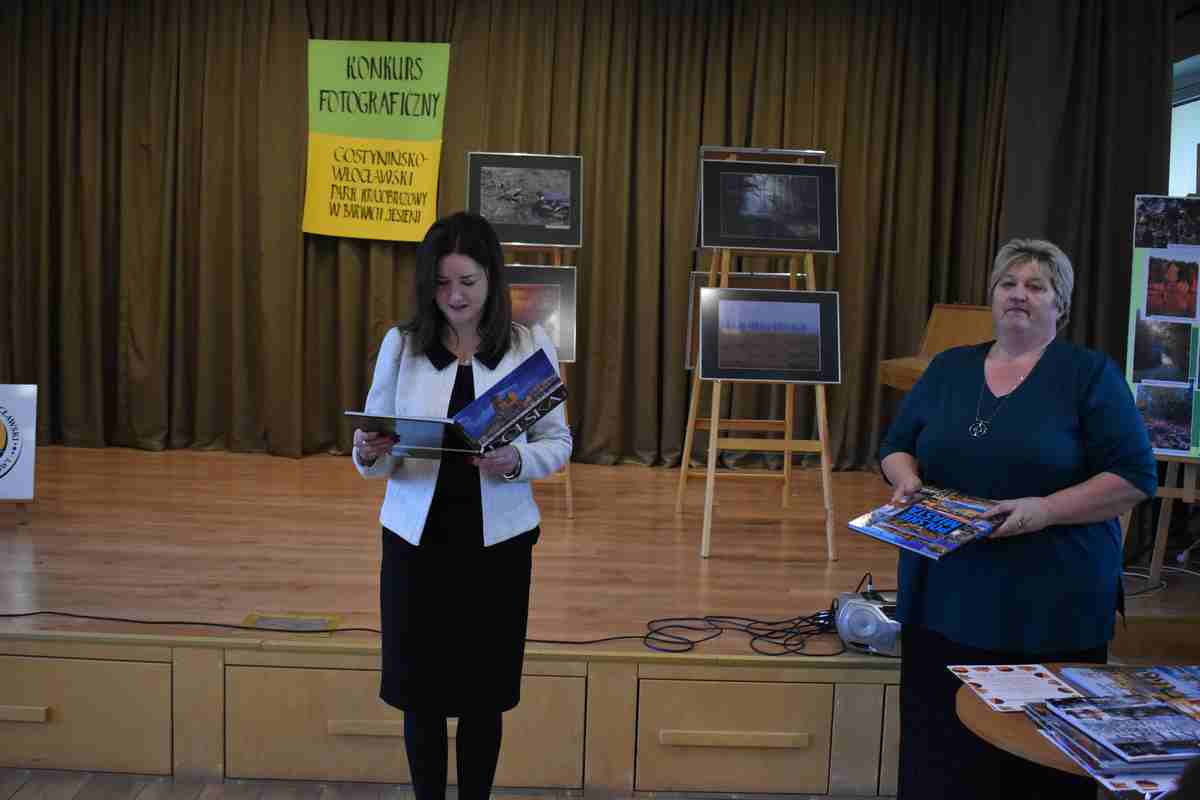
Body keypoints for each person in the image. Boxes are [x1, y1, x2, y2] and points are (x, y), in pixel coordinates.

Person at [878, 239, 1156, 799]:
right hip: (944, 594)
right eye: (1008, 284)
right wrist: (904, 478)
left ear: (1061, 305)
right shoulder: (949, 367)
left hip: (1050, 601)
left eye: (1036, 286)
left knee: (1038, 766)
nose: (1018, 295)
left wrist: (1044, 510)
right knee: (941, 755)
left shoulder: (1090, 375)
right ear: (992, 295)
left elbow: (1133, 477)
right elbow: (895, 446)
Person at [351, 211, 572, 800]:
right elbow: (374, 449)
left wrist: (516, 460)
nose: (454, 296)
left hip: (496, 547)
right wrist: (368, 450)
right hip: (416, 544)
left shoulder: (528, 345)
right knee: (419, 696)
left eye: (467, 282)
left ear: (491, 279)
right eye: (442, 283)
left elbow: (558, 442)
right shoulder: (402, 346)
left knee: (483, 697)